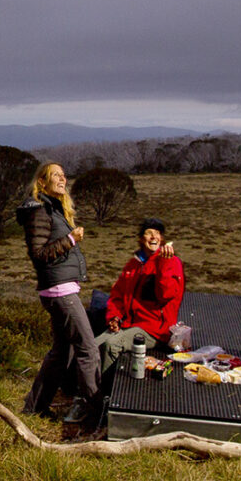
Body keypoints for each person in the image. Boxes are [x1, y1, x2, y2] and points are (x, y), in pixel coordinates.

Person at [17, 162, 95, 420]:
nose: (63, 179)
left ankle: (34, 407)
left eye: (64, 175)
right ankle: (90, 408)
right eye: (56, 176)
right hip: (59, 290)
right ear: (42, 182)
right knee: (87, 348)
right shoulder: (39, 211)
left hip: (60, 288)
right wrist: (71, 240)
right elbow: (39, 254)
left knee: (63, 351)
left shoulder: (54, 208)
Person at [104, 217, 185, 349]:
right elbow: (117, 295)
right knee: (92, 347)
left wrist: (163, 265)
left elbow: (166, 295)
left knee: (112, 345)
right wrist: (114, 317)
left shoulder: (172, 262)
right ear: (142, 239)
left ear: (162, 239)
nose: (154, 237)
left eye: (157, 233)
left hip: (155, 331)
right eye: (149, 233)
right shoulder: (133, 265)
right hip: (128, 323)